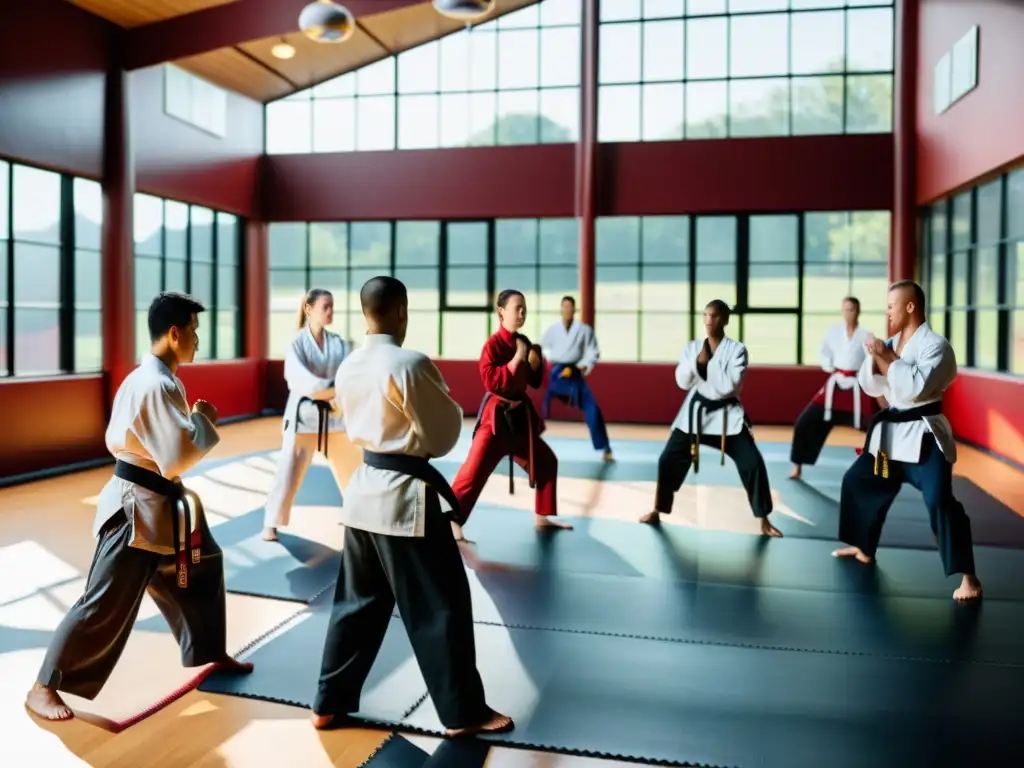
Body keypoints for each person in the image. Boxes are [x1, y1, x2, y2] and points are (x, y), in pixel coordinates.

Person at [25, 292, 252, 722]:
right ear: (174, 333)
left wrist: (194, 422)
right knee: (104, 601)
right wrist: (203, 421)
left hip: (162, 506)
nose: (197, 340)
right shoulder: (155, 384)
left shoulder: (159, 378)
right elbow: (176, 458)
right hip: (136, 511)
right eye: (194, 331)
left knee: (202, 570)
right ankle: (43, 686)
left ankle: (209, 650)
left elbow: (169, 448)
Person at [310, 276, 513, 738]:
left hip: (361, 497)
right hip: (405, 500)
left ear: (365, 314)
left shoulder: (348, 366)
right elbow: (442, 436)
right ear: (401, 311)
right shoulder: (411, 363)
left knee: (355, 605)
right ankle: (462, 712)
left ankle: (329, 702)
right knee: (444, 604)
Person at [833, 281, 982, 602]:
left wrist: (886, 356)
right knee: (857, 481)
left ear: (910, 307)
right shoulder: (891, 343)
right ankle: (864, 547)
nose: (887, 312)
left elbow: (914, 388)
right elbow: (872, 387)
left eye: (891, 306)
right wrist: (875, 358)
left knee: (939, 501)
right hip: (890, 438)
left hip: (925, 437)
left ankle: (969, 576)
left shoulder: (937, 347)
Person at [639, 300, 782, 537]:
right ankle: (657, 509)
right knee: (667, 460)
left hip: (727, 417)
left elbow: (729, 386)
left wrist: (703, 366)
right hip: (695, 415)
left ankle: (764, 518)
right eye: (705, 315)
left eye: (714, 316)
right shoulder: (692, 348)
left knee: (753, 463)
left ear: (725, 319)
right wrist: (697, 363)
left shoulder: (737, 350)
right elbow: (682, 382)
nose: (708, 321)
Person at [449, 289, 573, 543]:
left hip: (518, 421)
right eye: (517, 308)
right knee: (472, 473)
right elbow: (490, 380)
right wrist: (516, 359)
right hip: (495, 421)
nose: (521, 313)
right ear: (501, 312)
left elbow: (535, 382)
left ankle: (542, 516)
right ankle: (451, 521)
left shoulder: (525, 342)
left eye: (524, 308)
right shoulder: (492, 345)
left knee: (546, 460)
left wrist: (536, 365)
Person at [263, 288, 362, 541]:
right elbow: (302, 382)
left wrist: (334, 388)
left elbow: (350, 375)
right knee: (289, 469)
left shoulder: (339, 343)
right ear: (309, 309)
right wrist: (332, 387)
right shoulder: (297, 344)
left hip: (335, 417)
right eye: (325, 307)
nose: (330, 312)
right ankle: (271, 523)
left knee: (353, 469)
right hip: (302, 418)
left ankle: (361, 517)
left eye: (332, 307)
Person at [790, 297, 875, 479]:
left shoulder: (867, 335)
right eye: (846, 309)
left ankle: (883, 469)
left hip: (857, 386)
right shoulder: (832, 333)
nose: (849, 313)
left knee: (878, 425)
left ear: (859, 311)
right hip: (835, 384)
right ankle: (797, 467)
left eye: (852, 309)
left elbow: (873, 360)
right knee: (806, 421)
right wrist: (829, 366)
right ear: (842, 311)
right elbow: (824, 353)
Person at [540, 295, 613, 461]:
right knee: (533, 405)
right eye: (564, 307)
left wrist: (583, 365)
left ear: (574, 310)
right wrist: (548, 364)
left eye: (569, 307)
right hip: (556, 373)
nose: (566, 310)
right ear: (561, 309)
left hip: (574, 373)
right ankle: (522, 445)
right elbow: (540, 349)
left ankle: (605, 448)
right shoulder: (553, 330)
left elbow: (593, 351)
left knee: (592, 408)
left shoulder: (584, 330)